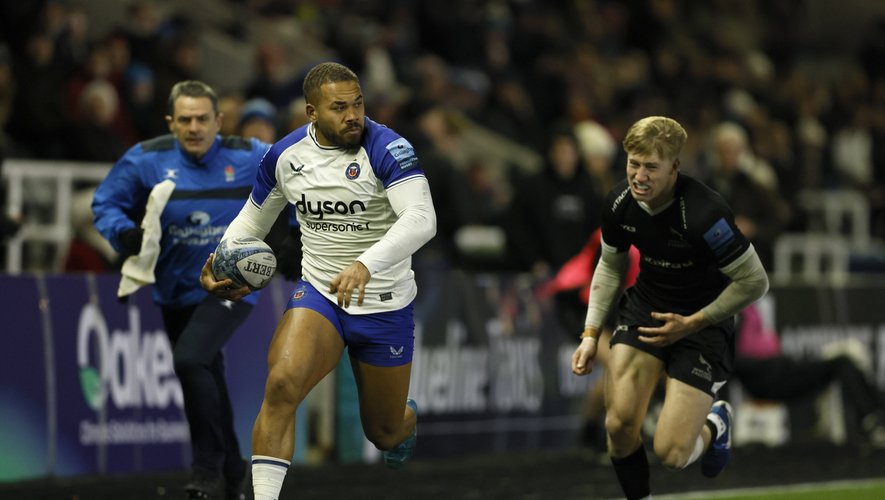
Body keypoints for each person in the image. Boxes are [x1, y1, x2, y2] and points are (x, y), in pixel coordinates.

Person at [199, 62, 436, 500]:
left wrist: (366, 264)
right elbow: (250, 223)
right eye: (340, 107)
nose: (353, 116)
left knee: (383, 433)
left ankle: (406, 419)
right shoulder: (285, 157)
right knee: (281, 383)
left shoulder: (388, 148)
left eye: (358, 104)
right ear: (311, 112)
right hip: (321, 295)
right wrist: (219, 261)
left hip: (384, 302)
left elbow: (423, 219)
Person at [571, 116, 770, 500]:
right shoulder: (619, 204)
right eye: (633, 163)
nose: (639, 176)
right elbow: (610, 265)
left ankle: (716, 425)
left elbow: (755, 281)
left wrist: (693, 322)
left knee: (672, 454)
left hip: (703, 321)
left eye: (651, 167)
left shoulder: (705, 213)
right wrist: (590, 334)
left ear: (675, 167)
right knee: (619, 425)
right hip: (647, 308)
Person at [92, 80, 273, 500]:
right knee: (206, 370)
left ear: (218, 121)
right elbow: (105, 203)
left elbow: (298, 183)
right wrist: (125, 236)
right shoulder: (145, 158)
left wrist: (293, 242)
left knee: (190, 358)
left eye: (202, 119)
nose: (194, 127)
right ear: (171, 123)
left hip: (231, 285)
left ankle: (206, 469)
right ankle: (233, 470)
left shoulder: (249, 156)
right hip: (174, 288)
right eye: (185, 119)